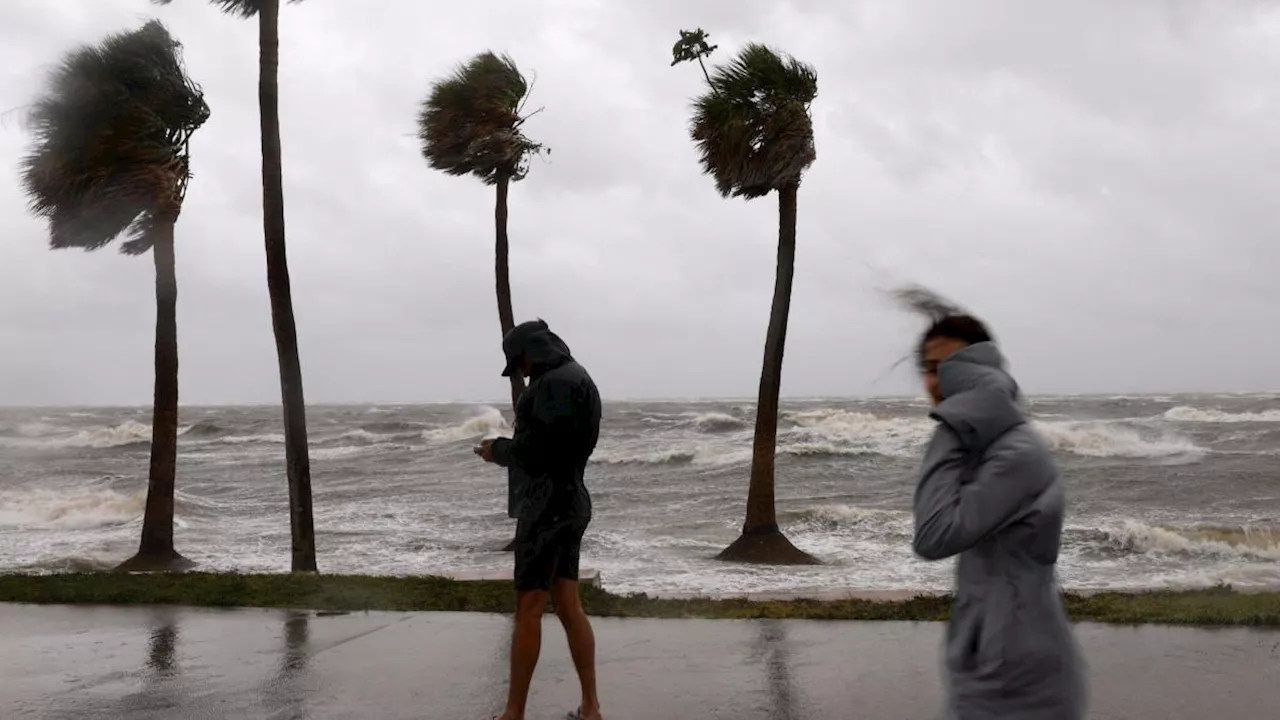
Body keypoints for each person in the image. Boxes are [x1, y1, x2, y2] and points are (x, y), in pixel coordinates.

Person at [913, 314, 1086, 720]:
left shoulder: (1016, 453)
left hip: (1019, 676)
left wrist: (950, 428)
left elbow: (934, 535)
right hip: (989, 663)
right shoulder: (986, 447)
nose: (935, 383)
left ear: (980, 373)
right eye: (928, 369)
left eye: (948, 369)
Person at [474, 319, 603, 720]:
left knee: (529, 608)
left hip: (546, 506)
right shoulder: (579, 377)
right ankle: (591, 708)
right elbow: (563, 446)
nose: (520, 371)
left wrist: (497, 449)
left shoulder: (550, 386)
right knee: (568, 604)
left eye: (519, 363)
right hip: (574, 499)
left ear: (529, 352)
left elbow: (537, 451)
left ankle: (513, 714)